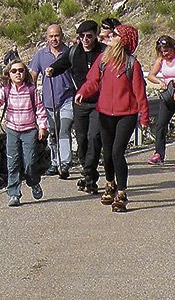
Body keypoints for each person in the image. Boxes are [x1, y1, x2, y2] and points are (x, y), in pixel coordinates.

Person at [75, 24, 149, 213]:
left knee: (117, 152)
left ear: (123, 40)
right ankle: (110, 183)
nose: (109, 37)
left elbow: (140, 93)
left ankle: (122, 193)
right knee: (107, 153)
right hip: (105, 113)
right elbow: (93, 81)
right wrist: (83, 92)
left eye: (114, 35)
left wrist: (144, 117)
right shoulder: (103, 59)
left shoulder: (132, 64)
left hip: (127, 114)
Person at [47, 19, 107, 193]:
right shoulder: (74, 52)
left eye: (89, 36)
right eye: (82, 36)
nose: (85, 39)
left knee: (94, 137)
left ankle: (89, 175)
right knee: (81, 140)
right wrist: (52, 69)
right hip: (79, 103)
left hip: (99, 102)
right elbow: (62, 63)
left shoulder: (104, 53)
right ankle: (87, 170)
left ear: (96, 36)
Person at [0, 60, 48, 207]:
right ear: (9, 74)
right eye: (14, 71)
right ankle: (14, 194)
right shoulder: (6, 90)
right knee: (12, 163)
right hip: (12, 130)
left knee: (30, 162)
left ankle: (33, 182)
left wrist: (42, 127)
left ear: (25, 72)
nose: (18, 73)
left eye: (21, 70)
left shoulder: (32, 90)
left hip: (29, 130)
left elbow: (40, 110)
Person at [31, 24, 74, 179]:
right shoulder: (40, 55)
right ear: (46, 38)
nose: (54, 39)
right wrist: (31, 97)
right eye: (51, 36)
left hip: (67, 99)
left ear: (62, 36)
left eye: (57, 35)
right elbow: (33, 77)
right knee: (53, 134)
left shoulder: (70, 53)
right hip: (48, 102)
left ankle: (65, 163)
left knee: (64, 129)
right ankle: (55, 162)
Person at [146, 35, 175, 166]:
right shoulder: (161, 60)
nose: (165, 53)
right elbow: (151, 75)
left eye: (167, 50)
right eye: (162, 51)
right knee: (161, 124)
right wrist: (160, 82)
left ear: (173, 48)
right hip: (168, 95)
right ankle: (159, 153)